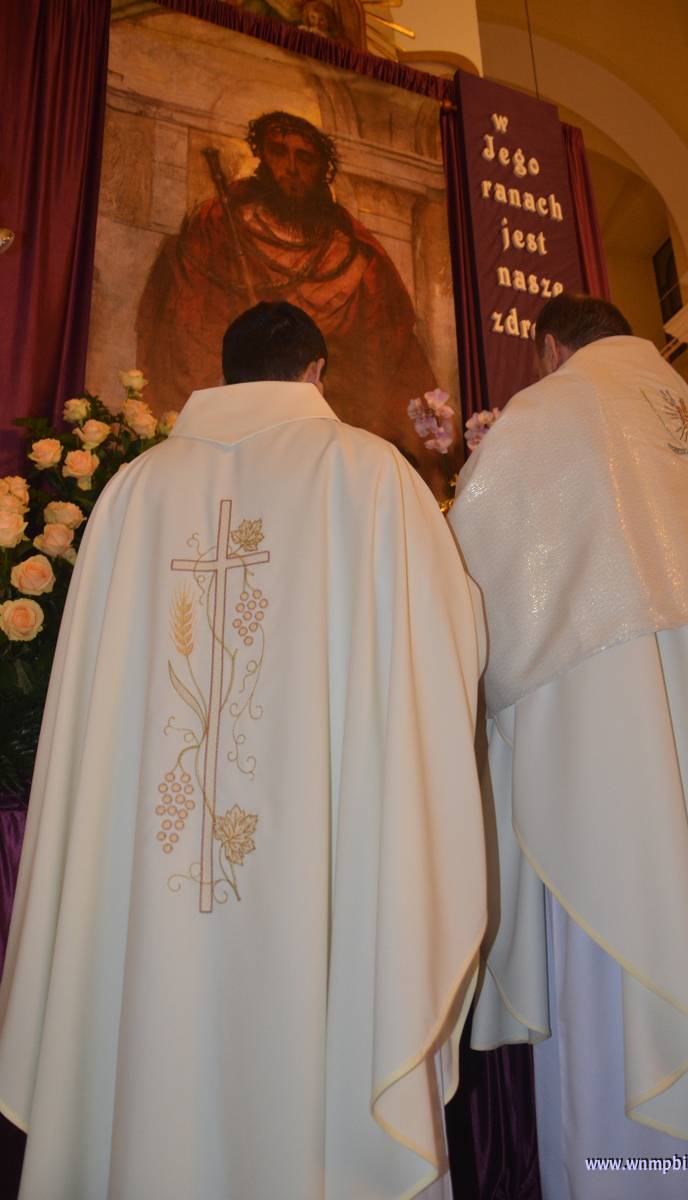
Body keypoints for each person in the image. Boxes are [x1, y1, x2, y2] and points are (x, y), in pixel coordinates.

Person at [0, 302, 487, 1199]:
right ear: (315, 370)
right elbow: (446, 653)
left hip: (148, 890)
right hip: (317, 872)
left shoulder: (132, 493)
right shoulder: (371, 477)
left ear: (221, 372)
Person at [448, 293, 688, 1198]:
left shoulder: (556, 410)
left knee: (630, 994)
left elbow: (468, 587)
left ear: (549, 347)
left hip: (614, 760)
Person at [136, 110, 445, 489]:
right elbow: (188, 331)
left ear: (323, 169)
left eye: (305, 158)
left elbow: (386, 359)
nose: (292, 168)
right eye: (280, 152)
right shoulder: (220, 226)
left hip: (322, 465)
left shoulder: (355, 257)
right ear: (262, 156)